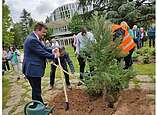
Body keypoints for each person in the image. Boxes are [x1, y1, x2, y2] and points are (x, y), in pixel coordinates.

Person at [22, 22, 60, 106]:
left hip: (32, 69)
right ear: (37, 30)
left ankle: (37, 104)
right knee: (36, 89)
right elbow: (41, 52)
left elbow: (44, 48)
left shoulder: (34, 38)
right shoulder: (32, 40)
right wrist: (54, 56)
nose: (44, 34)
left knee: (35, 89)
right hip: (32, 69)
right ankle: (39, 106)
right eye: (43, 32)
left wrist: (53, 50)